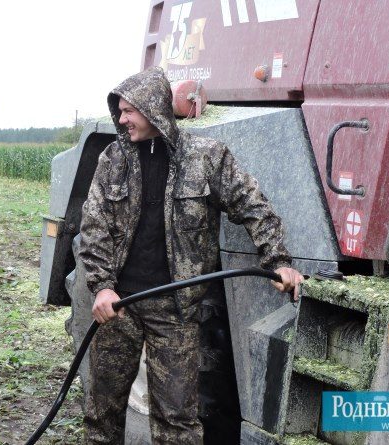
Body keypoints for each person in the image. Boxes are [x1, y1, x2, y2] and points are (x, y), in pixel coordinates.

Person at [78, 66, 304, 444]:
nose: (121, 119)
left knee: (178, 424)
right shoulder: (111, 160)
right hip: (120, 306)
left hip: (176, 311)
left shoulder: (207, 157)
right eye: (119, 111)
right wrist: (102, 287)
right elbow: (94, 228)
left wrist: (278, 261)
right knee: (102, 415)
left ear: (153, 110)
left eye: (128, 111)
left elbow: (252, 206)